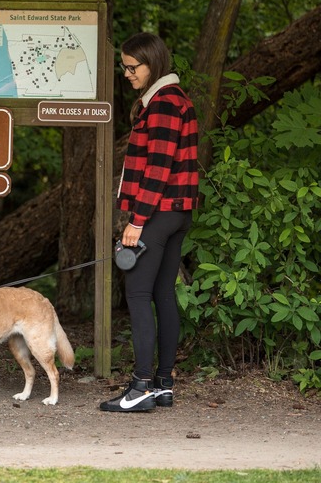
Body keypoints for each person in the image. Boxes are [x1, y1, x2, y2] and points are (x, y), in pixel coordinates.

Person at [100, 32, 199, 413]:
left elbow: (159, 168)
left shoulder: (163, 104)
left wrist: (137, 222)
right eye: (124, 67)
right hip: (176, 212)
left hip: (157, 214)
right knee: (162, 294)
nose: (127, 73)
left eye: (132, 67)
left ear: (152, 63)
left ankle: (140, 386)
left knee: (138, 294)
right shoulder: (173, 100)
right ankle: (162, 385)